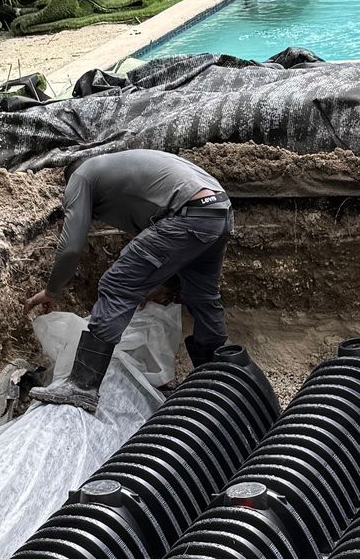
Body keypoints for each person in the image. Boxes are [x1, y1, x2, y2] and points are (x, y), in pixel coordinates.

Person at [29, 149, 233, 412]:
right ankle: (216, 380)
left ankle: (81, 386)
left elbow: (70, 247)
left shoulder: (80, 176)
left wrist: (52, 289)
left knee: (117, 285)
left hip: (187, 214)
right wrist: (162, 285)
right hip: (218, 210)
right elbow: (170, 250)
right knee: (202, 296)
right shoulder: (123, 169)